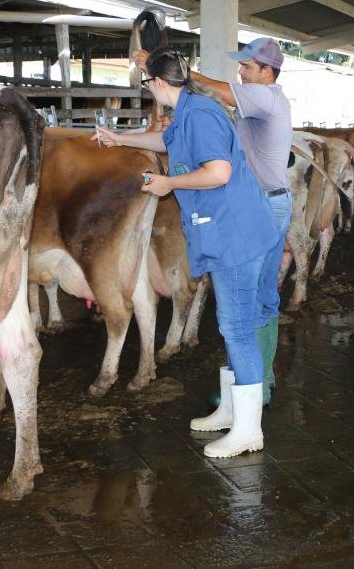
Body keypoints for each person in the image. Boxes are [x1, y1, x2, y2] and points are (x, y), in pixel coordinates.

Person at [92, 47, 278, 459]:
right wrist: (120, 138)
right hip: (234, 231)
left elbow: (219, 172)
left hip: (235, 236)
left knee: (237, 328)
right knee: (232, 324)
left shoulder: (200, 114)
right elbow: (167, 138)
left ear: (158, 83)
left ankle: (249, 430)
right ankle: (231, 411)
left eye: (147, 84)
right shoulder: (192, 107)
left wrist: (167, 185)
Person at [134, 38, 292, 407]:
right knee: (254, 305)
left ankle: (254, 388)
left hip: (263, 204)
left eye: (247, 67)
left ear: (267, 72)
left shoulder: (266, 98)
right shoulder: (243, 109)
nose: (241, 72)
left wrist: (171, 71)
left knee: (250, 310)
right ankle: (252, 384)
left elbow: (217, 96)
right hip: (260, 201)